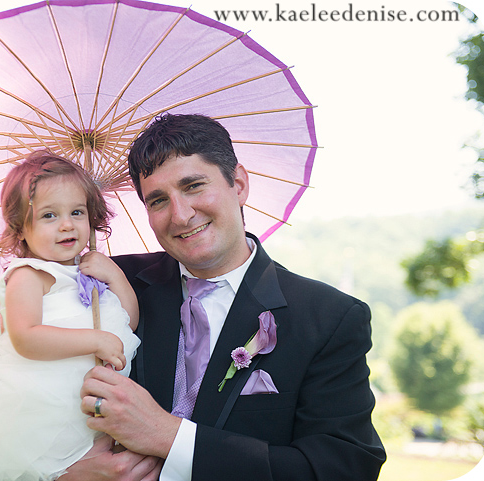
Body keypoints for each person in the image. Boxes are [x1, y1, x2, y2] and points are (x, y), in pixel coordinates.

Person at [61, 114, 386, 481]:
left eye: (193, 186)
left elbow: (343, 469)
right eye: (158, 201)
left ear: (239, 184)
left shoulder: (328, 318)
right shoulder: (105, 289)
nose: (180, 215)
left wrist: (170, 437)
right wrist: (62, 477)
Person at [0, 151, 141, 481]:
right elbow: (26, 337)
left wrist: (115, 277)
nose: (67, 224)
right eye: (49, 215)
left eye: (77, 212)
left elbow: (127, 324)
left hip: (92, 404)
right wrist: (94, 340)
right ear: (21, 228)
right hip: (42, 409)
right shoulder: (28, 275)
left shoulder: (90, 271)